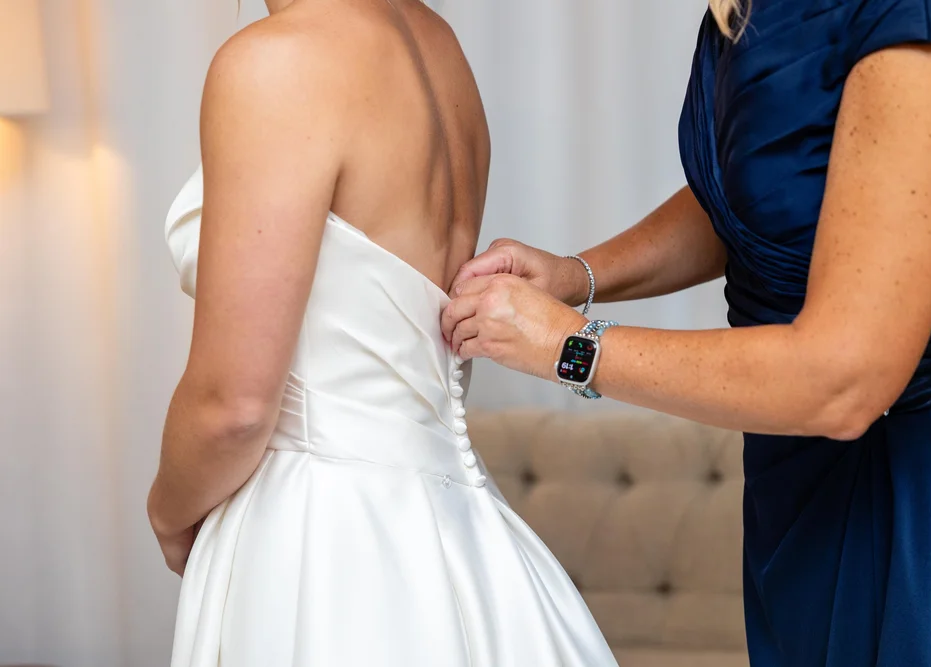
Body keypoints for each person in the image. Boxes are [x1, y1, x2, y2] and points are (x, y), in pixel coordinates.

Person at [441, 1, 931, 665]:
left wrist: (570, 347)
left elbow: (845, 377)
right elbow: (769, 193)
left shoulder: (927, 15)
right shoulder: (744, 10)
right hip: (796, 477)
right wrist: (577, 274)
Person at [146, 1, 617, 665]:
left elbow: (236, 405)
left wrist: (168, 513)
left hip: (323, 538)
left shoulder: (279, 59)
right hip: (466, 534)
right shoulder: (438, 46)